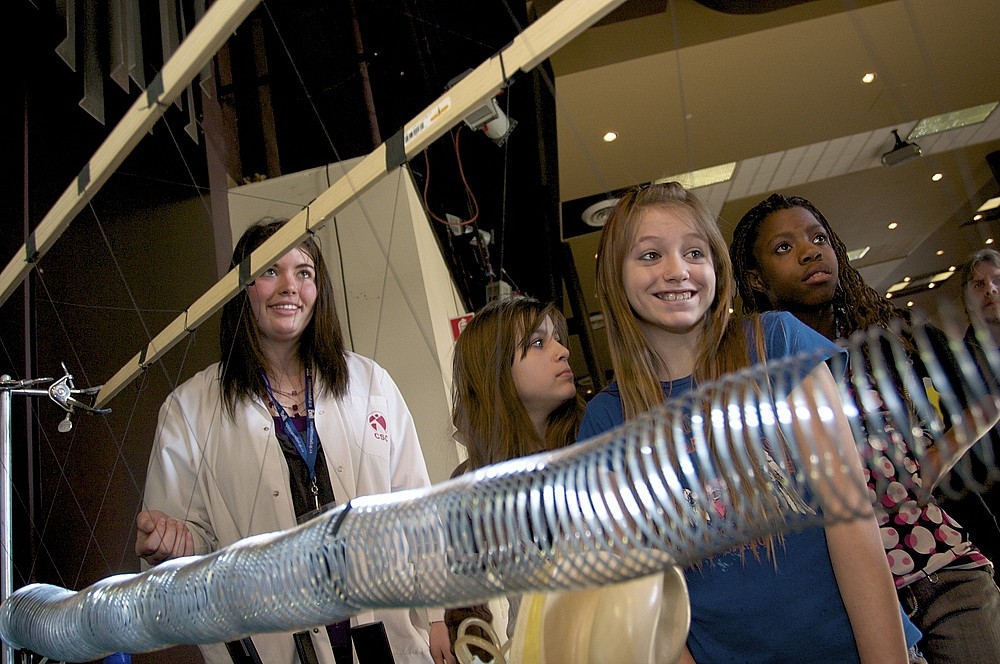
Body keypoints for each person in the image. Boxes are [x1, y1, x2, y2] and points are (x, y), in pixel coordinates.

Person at [578, 181, 908, 664]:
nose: (677, 270)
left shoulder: (777, 344)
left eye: (694, 252)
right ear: (615, 277)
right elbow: (646, 601)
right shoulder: (606, 420)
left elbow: (852, 523)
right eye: (650, 255)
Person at [135, 218, 453, 664]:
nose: (289, 286)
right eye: (269, 270)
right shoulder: (189, 410)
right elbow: (191, 552)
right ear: (241, 288)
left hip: (384, 637)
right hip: (274, 644)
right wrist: (176, 546)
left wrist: (438, 616)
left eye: (303, 272)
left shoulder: (370, 383)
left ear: (318, 289)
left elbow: (416, 508)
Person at [731, 192, 1000, 663]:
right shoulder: (754, 372)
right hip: (850, 600)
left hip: (944, 566)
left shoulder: (891, 334)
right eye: (784, 247)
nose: (810, 252)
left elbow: (986, 396)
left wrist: (930, 464)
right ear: (756, 277)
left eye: (818, 239)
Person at [443, 297, 585, 661]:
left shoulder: (596, 442)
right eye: (538, 343)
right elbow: (464, 609)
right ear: (494, 370)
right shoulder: (470, 487)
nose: (563, 351)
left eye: (557, 339)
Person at [934, 247, 1000, 581]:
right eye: (979, 284)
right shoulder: (955, 366)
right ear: (967, 298)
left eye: (997, 280)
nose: (990, 289)